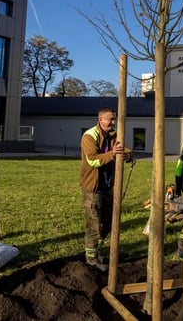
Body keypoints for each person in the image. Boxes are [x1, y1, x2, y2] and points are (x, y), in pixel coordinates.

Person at [80, 107, 131, 271]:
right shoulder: (89, 136)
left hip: (108, 186)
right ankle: (92, 259)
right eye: (110, 119)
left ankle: (98, 251)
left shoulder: (114, 135)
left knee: (107, 224)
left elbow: (126, 149)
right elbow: (93, 161)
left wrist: (127, 155)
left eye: (114, 119)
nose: (113, 122)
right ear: (100, 119)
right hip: (93, 188)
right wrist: (113, 154)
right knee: (93, 224)